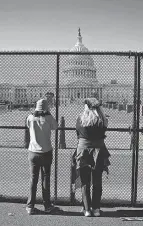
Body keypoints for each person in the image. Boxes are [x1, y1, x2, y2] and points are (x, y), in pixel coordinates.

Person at [75, 98, 110, 217]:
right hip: (99, 151)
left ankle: (86, 209)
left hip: (83, 150)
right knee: (97, 181)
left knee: (85, 181)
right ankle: (96, 209)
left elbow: (78, 134)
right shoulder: (103, 120)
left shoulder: (80, 119)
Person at [26, 98, 58, 215]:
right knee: (45, 179)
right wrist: (48, 113)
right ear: (46, 107)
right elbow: (56, 126)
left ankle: (30, 206)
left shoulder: (30, 117)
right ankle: (47, 205)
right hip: (46, 152)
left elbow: (28, 125)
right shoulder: (48, 118)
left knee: (33, 179)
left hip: (33, 152)